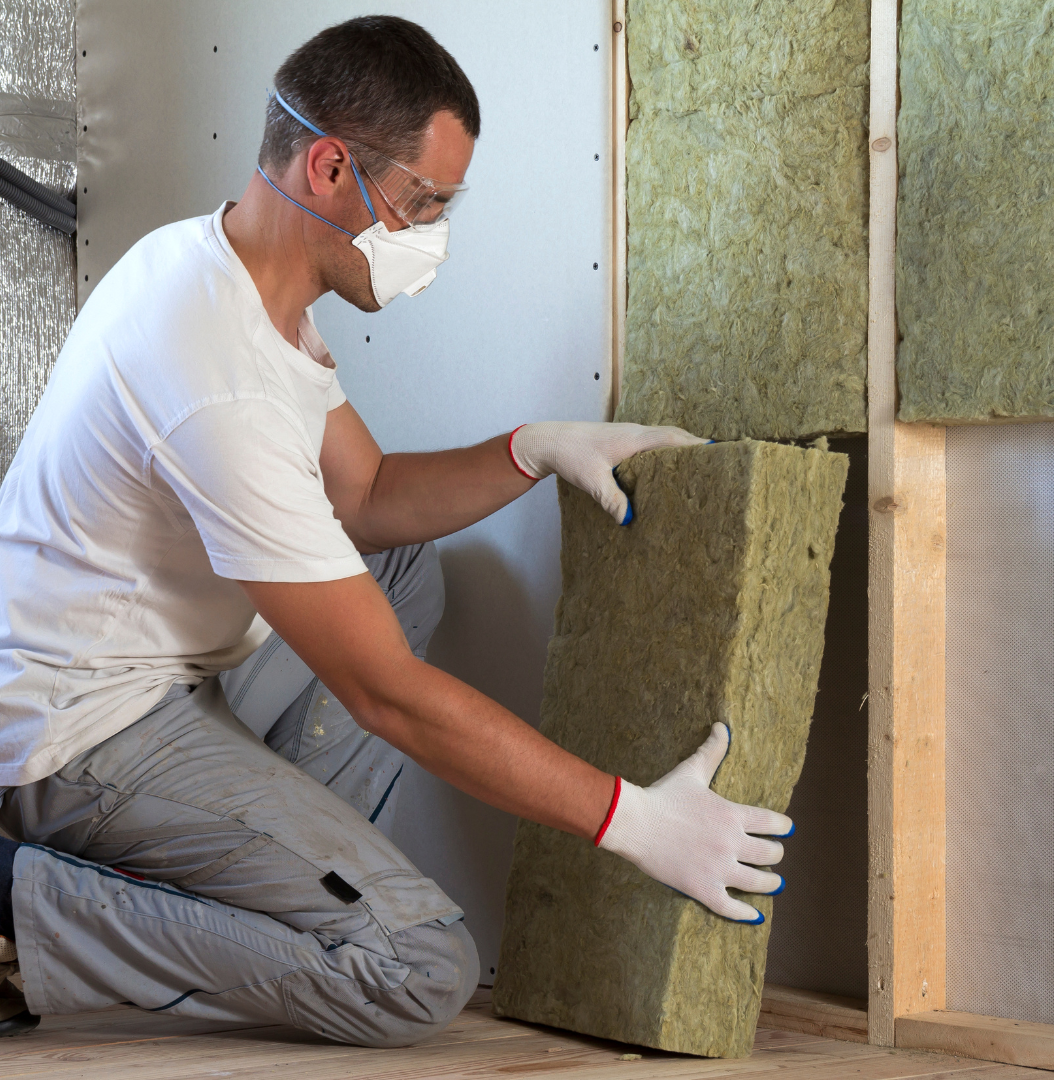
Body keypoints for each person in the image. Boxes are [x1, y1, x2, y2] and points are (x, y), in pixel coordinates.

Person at [0, 15, 792, 1046]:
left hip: (149, 673)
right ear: (330, 168)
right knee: (414, 966)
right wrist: (634, 821)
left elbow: (366, 496)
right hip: (70, 737)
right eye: (422, 203)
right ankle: (21, 915)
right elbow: (384, 694)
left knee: (399, 566)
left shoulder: (236, 276)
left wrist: (534, 448)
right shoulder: (213, 375)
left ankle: (265, 881)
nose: (432, 237)